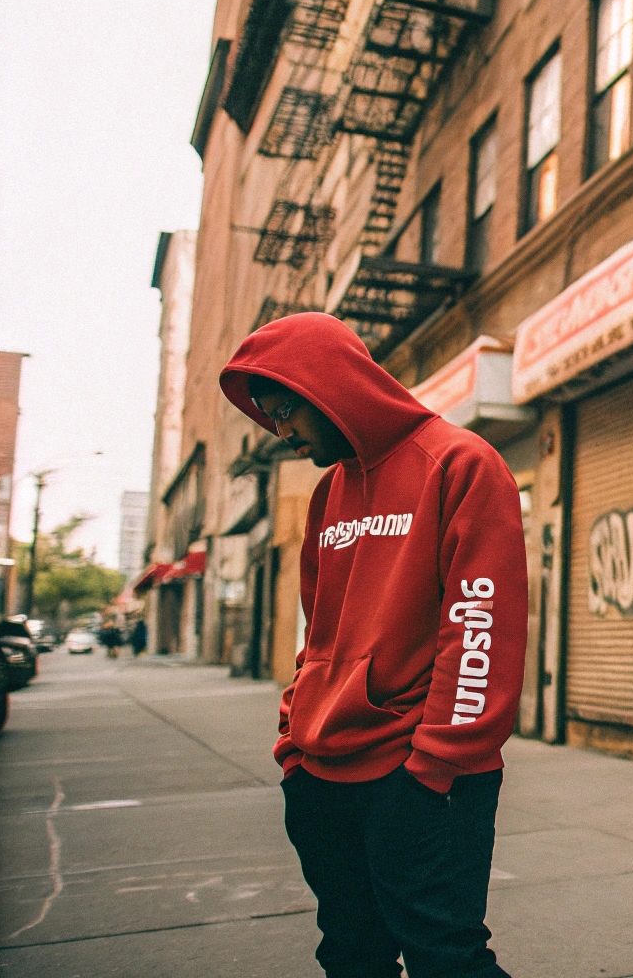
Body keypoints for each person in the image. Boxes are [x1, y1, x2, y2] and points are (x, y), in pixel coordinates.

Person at [219, 313, 526, 978]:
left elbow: (479, 626)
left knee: (447, 959)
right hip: (321, 775)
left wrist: (435, 765)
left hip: (419, 778)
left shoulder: (459, 463)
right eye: (268, 416)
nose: (281, 430)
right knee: (352, 954)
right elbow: (318, 633)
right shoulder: (328, 493)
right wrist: (293, 744)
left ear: (327, 387)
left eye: (285, 410)